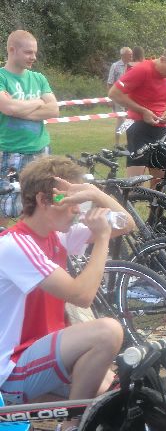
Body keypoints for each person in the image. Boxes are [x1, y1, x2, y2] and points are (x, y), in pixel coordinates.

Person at [0, 155, 134, 431]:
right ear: (43, 200)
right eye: (69, 200)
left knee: (111, 391)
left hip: (40, 357)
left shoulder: (56, 236)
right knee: (107, 332)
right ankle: (72, 426)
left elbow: (126, 224)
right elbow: (82, 295)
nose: (76, 209)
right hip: (11, 372)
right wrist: (102, 239)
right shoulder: (15, 245)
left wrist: (96, 194)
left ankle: (75, 417)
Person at [0, 30, 60, 226]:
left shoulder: (38, 78)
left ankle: (28, 242)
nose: (33, 57)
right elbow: (8, 108)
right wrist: (38, 101)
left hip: (40, 150)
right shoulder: (1, 77)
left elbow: (54, 110)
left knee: (39, 202)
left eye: (34, 52)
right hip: (9, 151)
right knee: (5, 205)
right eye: (28, 52)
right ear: (12, 50)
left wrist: (19, 109)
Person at [108, 45, 166, 184]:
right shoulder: (142, 70)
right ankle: (128, 197)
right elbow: (114, 93)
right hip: (138, 127)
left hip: (161, 129)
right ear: (162, 59)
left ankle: (155, 199)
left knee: (159, 182)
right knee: (134, 183)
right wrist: (143, 111)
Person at [107, 47, 133, 146]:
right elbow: (110, 83)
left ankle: (128, 141)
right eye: (129, 54)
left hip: (129, 96)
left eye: (131, 54)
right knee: (121, 119)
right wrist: (109, 98)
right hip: (117, 96)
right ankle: (117, 143)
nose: (131, 56)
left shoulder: (132, 66)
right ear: (123, 55)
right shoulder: (115, 66)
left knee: (129, 119)